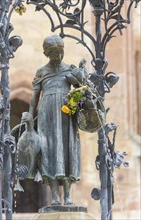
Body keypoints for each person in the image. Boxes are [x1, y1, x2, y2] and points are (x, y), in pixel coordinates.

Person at [29, 35, 85, 206]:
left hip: (66, 114)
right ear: (47, 53)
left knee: (67, 149)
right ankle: (54, 196)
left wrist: (80, 76)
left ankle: (67, 196)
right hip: (47, 114)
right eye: (53, 54)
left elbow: (82, 91)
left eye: (60, 53)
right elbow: (34, 97)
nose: (58, 57)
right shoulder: (42, 71)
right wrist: (30, 115)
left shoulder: (70, 70)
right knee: (48, 150)